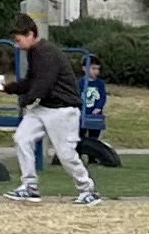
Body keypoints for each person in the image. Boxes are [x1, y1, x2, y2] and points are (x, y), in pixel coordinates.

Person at [6, 12, 97, 207]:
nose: (17, 44)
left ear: (30, 34)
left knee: (66, 154)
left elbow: (43, 84)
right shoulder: (34, 52)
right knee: (22, 138)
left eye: (18, 39)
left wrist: (26, 99)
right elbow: (32, 80)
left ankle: (87, 189)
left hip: (63, 109)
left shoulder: (46, 52)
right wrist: (14, 88)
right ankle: (29, 186)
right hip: (45, 106)